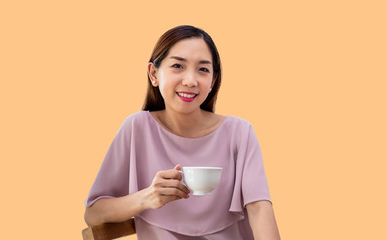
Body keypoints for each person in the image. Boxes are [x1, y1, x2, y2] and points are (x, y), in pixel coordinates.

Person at [84, 25, 280, 240]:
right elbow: (93, 214)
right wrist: (148, 197)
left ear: (213, 81)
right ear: (154, 74)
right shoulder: (136, 128)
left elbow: (259, 208)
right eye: (178, 65)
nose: (190, 81)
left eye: (203, 69)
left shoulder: (240, 132)